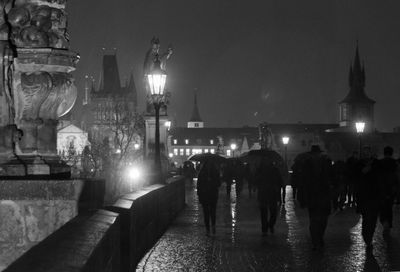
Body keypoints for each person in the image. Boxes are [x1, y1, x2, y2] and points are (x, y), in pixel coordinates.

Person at [303, 145, 332, 250]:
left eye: (317, 154)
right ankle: (316, 241)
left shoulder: (326, 163)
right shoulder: (307, 164)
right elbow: (304, 181)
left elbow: (330, 177)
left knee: (323, 220)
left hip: (324, 195)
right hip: (313, 196)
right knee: (314, 220)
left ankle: (319, 237)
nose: (316, 156)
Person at [356, 146, 380, 252]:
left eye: (368, 152)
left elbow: (380, 178)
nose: (366, 154)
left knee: (373, 219)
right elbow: (355, 177)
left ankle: (369, 236)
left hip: (375, 195)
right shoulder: (359, 164)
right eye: (365, 152)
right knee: (366, 218)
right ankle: (367, 237)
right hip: (364, 196)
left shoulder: (377, 164)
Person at [255, 159, 283, 235]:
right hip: (264, 193)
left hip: (271, 192)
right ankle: (265, 228)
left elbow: (279, 181)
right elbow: (255, 180)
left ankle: (270, 225)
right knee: (264, 212)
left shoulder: (274, 170)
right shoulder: (260, 170)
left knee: (273, 212)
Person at [197, 160, 221, 235]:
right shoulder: (211, 172)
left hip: (209, 195)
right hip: (209, 195)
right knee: (208, 213)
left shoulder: (203, 173)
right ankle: (209, 228)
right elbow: (199, 185)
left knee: (210, 212)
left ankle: (211, 227)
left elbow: (218, 183)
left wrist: (211, 181)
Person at [378, 146, 398, 233]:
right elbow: (397, 176)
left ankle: (384, 221)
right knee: (389, 207)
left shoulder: (380, 163)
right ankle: (389, 223)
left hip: (382, 188)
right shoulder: (395, 163)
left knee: (382, 207)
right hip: (392, 188)